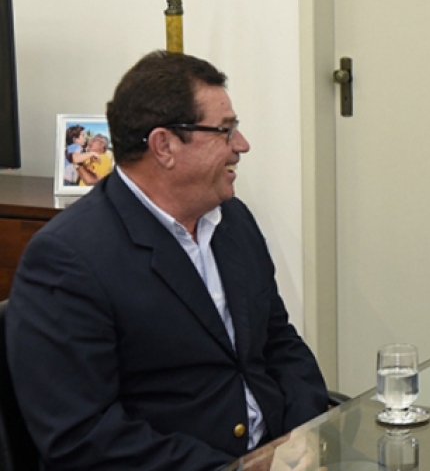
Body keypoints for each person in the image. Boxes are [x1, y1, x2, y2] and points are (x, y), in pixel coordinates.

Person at [7, 51, 330, 470]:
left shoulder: (233, 221)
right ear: (164, 146)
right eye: (226, 130)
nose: (241, 145)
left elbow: (279, 342)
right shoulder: (68, 259)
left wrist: (306, 434)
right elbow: (82, 436)